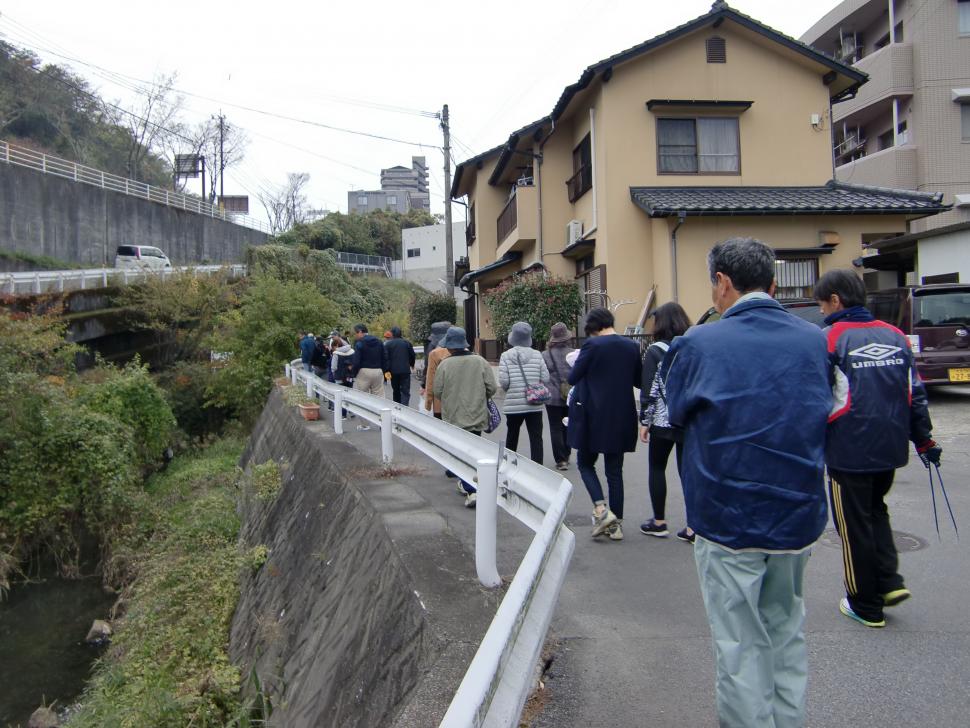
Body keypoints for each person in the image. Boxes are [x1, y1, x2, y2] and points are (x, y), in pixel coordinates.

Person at [664, 237, 831, 728]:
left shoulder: (697, 343)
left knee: (739, 641)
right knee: (785, 628)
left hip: (726, 513)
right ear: (774, 284)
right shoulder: (814, 339)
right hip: (798, 512)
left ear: (722, 282)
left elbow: (674, 413)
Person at [814, 269, 940, 628]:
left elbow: (817, 397)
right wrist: (925, 440)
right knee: (875, 511)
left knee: (852, 525)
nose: (822, 311)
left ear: (835, 301)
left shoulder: (830, 339)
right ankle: (889, 582)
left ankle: (864, 603)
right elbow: (914, 394)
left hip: (848, 449)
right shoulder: (896, 336)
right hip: (889, 446)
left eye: (823, 304)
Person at [567, 307, 641, 541]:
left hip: (592, 415)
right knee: (614, 472)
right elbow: (638, 380)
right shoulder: (631, 346)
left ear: (593, 327)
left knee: (585, 463)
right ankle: (615, 525)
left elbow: (573, 377)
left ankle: (601, 509)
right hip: (622, 416)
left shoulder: (592, 346)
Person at [638, 302, 693, 541]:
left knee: (657, 468)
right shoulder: (692, 346)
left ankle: (659, 522)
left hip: (662, 420)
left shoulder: (656, 350)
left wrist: (644, 421)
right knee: (688, 472)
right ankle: (693, 527)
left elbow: (649, 390)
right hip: (689, 418)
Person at [432, 326, 498, 508]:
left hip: (454, 416)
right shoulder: (480, 362)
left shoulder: (445, 364)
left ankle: (471, 489)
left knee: (461, 453)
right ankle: (471, 485)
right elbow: (492, 388)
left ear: (450, 347)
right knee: (475, 451)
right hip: (476, 414)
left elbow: (437, 391)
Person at [499, 322, 550, 465]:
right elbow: (545, 378)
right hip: (534, 404)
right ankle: (538, 468)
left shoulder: (505, 355)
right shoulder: (537, 354)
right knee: (536, 438)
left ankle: (509, 464)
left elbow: (504, 382)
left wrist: (512, 388)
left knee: (512, 436)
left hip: (513, 404)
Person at [542, 322, 573, 471]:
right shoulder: (573, 353)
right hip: (570, 395)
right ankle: (567, 454)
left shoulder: (545, 354)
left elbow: (542, 376)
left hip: (551, 396)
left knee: (555, 427)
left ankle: (561, 460)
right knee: (567, 424)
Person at [419, 320, 452, 410]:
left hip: (438, 387)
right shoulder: (458, 347)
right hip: (455, 387)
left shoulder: (433, 349)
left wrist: (423, 386)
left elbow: (429, 369)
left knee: (438, 414)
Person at [351, 323, 388, 397]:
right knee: (379, 396)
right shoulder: (379, 342)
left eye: (356, 333)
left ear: (360, 332)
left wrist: (354, 373)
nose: (355, 335)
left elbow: (356, 361)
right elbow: (385, 358)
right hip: (378, 371)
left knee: (363, 397)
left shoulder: (359, 343)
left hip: (363, 371)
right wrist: (383, 371)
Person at [384, 326, 416, 406]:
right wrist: (412, 364)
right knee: (405, 391)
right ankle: (405, 407)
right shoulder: (407, 343)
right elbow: (412, 355)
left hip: (393, 371)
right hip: (405, 370)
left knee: (396, 390)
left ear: (392, 334)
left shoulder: (388, 344)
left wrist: (386, 371)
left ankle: (397, 407)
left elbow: (385, 359)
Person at [329, 335, 355, 418]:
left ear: (336, 346)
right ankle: (351, 412)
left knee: (341, 397)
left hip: (339, 377)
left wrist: (333, 374)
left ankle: (343, 415)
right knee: (349, 395)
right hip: (350, 377)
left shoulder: (336, 354)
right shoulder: (352, 351)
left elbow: (333, 367)